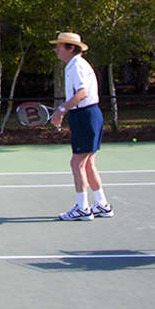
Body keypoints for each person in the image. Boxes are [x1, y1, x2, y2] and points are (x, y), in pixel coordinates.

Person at [48, 32, 113, 221]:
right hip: (88, 115)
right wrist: (65, 109)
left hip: (85, 116)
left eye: (59, 46)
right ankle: (102, 204)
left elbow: (83, 93)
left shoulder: (76, 65)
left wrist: (61, 110)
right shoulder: (75, 65)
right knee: (88, 163)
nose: (56, 49)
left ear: (70, 48)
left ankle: (83, 208)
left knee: (76, 163)